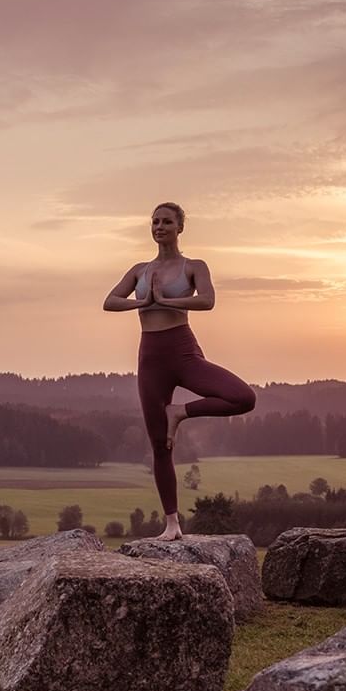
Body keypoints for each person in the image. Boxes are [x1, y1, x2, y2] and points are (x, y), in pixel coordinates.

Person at [103, 202, 256, 541]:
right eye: (155, 222)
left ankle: (180, 412)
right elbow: (110, 301)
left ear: (180, 227)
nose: (159, 227)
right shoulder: (139, 270)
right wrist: (141, 303)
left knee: (243, 397)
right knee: (160, 446)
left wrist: (166, 302)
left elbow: (208, 300)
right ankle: (172, 524)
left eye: (167, 221)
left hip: (183, 353)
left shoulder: (193, 266)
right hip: (150, 359)